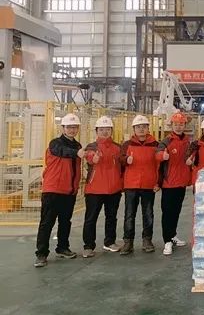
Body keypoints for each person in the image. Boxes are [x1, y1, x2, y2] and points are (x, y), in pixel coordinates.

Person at [34, 113, 85, 268]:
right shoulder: (55, 144)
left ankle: (62, 247)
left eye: (74, 127)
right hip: (53, 190)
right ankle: (41, 254)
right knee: (47, 223)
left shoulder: (78, 146)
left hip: (69, 191)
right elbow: (62, 151)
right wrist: (76, 153)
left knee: (65, 221)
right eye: (69, 127)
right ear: (63, 128)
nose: (72, 130)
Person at [82, 116, 123, 258]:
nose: (105, 132)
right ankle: (88, 246)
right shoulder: (91, 147)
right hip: (95, 189)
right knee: (91, 218)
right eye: (101, 130)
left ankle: (110, 242)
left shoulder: (118, 147)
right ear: (96, 131)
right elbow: (89, 157)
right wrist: (93, 159)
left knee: (111, 217)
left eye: (107, 129)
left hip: (114, 189)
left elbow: (122, 165)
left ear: (111, 130)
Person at [119, 115, 159, 256]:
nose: (141, 129)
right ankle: (128, 242)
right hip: (131, 185)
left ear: (148, 128)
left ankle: (147, 240)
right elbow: (120, 160)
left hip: (148, 184)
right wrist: (126, 160)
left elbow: (159, 165)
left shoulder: (155, 145)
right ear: (134, 129)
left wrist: (158, 182)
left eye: (144, 127)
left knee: (148, 214)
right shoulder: (127, 145)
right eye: (138, 127)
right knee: (129, 214)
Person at [155, 112, 192, 256]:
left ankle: (173, 235)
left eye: (181, 124)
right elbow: (157, 153)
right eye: (176, 124)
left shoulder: (188, 142)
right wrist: (162, 156)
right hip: (169, 183)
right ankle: (167, 241)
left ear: (184, 125)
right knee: (168, 212)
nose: (178, 126)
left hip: (181, 182)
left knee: (176, 211)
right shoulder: (166, 141)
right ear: (172, 125)